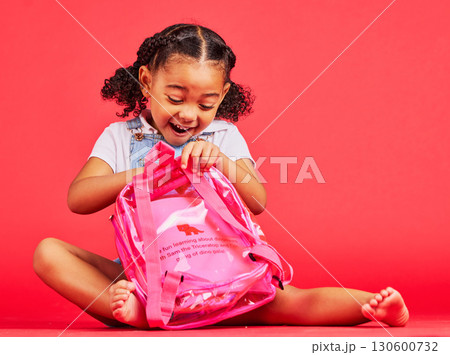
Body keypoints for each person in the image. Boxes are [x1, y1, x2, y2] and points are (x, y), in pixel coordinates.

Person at [33, 23, 409, 329]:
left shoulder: (223, 136)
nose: (188, 114)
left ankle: (374, 306)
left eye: (206, 103)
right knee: (48, 252)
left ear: (223, 95)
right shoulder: (123, 137)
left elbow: (258, 202)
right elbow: (78, 198)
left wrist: (222, 162)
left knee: (295, 301)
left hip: (228, 274)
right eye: (175, 98)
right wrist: (142, 173)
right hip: (153, 275)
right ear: (146, 82)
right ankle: (150, 308)